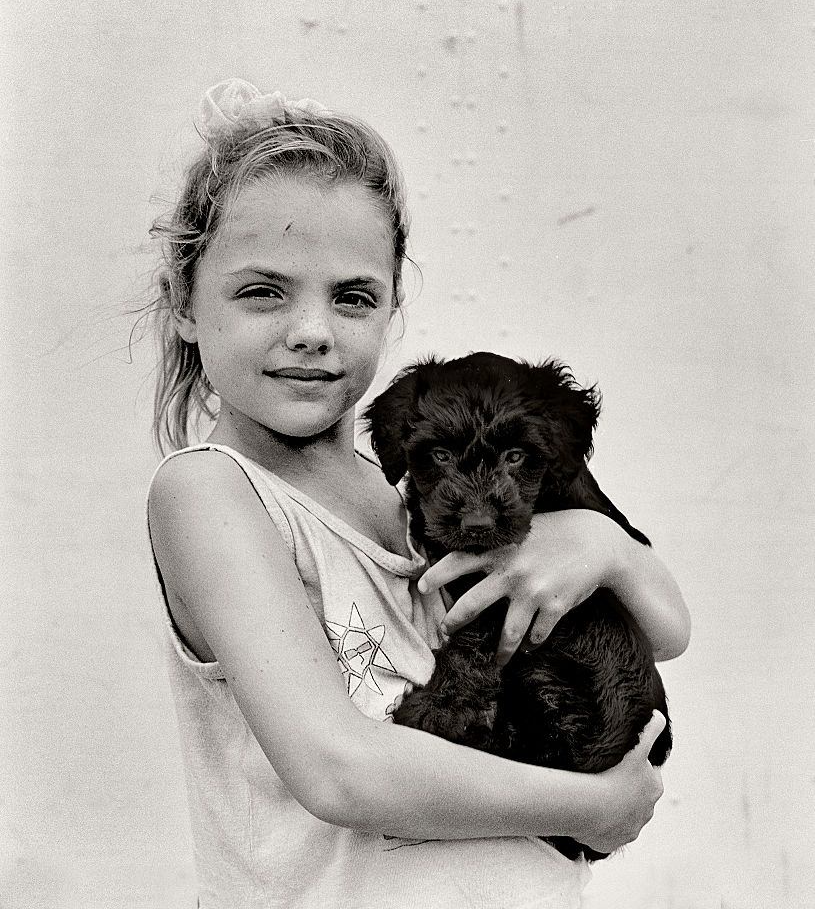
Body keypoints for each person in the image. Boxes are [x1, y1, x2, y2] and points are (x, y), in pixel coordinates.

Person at [145, 79, 690, 908]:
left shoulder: (416, 491)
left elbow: (667, 633)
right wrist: (599, 806)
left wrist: (605, 545)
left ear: (393, 305)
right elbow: (340, 771)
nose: (312, 330)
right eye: (262, 290)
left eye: (353, 296)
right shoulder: (211, 494)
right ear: (184, 302)